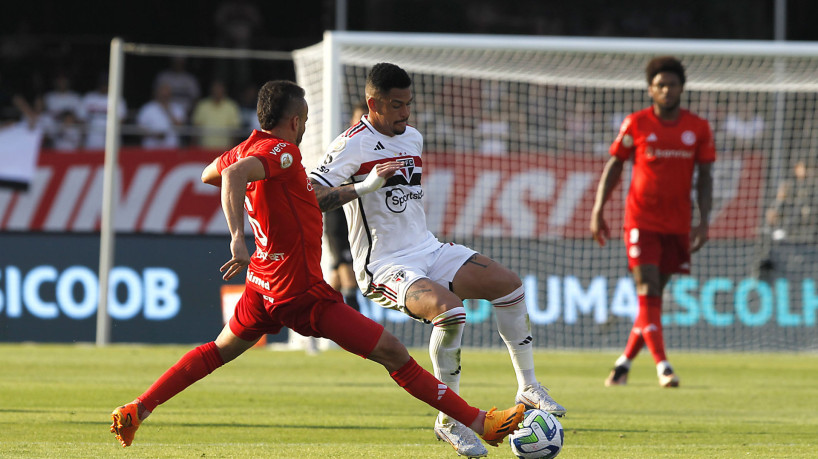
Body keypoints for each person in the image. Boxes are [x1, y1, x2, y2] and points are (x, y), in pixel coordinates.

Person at [110, 79, 525, 450]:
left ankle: (138, 408)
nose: (306, 127)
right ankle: (476, 422)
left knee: (215, 352)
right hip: (301, 291)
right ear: (293, 121)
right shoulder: (283, 152)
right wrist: (239, 237)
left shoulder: (248, 147)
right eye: (305, 119)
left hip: (262, 288)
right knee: (393, 352)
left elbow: (210, 174)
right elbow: (234, 176)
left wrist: (363, 187)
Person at [308, 63, 565, 458]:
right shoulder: (350, 145)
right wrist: (364, 186)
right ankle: (450, 421)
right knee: (450, 313)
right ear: (373, 103)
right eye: (396, 105)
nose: (405, 113)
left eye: (408, 104)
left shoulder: (412, 137)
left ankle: (528, 385)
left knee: (508, 284)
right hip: (385, 265)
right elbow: (310, 198)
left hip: (427, 249)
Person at [590, 56, 715, 388]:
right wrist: (598, 208)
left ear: (681, 88)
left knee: (654, 298)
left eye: (672, 84)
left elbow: (705, 178)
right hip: (641, 221)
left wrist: (703, 222)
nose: (666, 90)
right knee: (647, 289)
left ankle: (623, 364)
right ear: (650, 90)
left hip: (678, 224)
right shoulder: (636, 124)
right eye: (660, 85)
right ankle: (663, 365)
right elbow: (615, 166)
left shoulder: (698, 128)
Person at [192, 80, 241, 149]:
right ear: (211, 90)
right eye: (215, 88)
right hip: (204, 150)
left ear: (224, 90)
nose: (217, 91)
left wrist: (231, 151)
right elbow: (195, 130)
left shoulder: (231, 106)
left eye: (219, 88)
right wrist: (194, 149)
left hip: (225, 151)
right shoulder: (202, 105)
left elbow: (235, 132)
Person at [136, 82, 187, 149]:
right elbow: (139, 129)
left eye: (166, 94)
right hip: (151, 148)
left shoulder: (177, 108)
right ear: (157, 93)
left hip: (171, 148)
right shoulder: (147, 108)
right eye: (162, 94)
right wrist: (154, 135)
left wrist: (168, 110)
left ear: (170, 95)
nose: (164, 96)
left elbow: (180, 127)